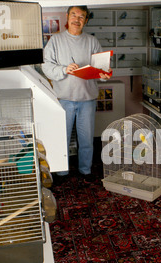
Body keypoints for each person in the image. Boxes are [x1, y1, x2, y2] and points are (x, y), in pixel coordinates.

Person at [42, 5, 111, 184]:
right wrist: (64, 69)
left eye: (82, 17)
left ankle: (85, 170)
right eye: (74, 15)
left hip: (87, 98)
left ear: (86, 20)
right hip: (63, 99)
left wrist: (104, 73)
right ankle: (62, 171)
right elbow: (47, 67)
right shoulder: (55, 40)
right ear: (67, 16)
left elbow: (101, 68)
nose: (77, 19)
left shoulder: (92, 41)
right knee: (61, 137)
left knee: (86, 138)